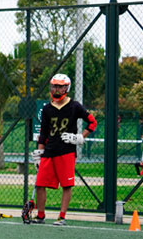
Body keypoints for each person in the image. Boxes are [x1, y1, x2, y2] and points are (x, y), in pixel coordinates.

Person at [25, 73, 97, 226]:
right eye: (54, 86)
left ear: (66, 88)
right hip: (49, 151)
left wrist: (80, 137)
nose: (56, 89)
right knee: (39, 184)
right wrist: (39, 152)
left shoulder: (75, 106)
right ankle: (41, 215)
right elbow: (43, 133)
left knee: (66, 185)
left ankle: (62, 216)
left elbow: (92, 122)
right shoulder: (47, 109)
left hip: (66, 151)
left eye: (59, 86)